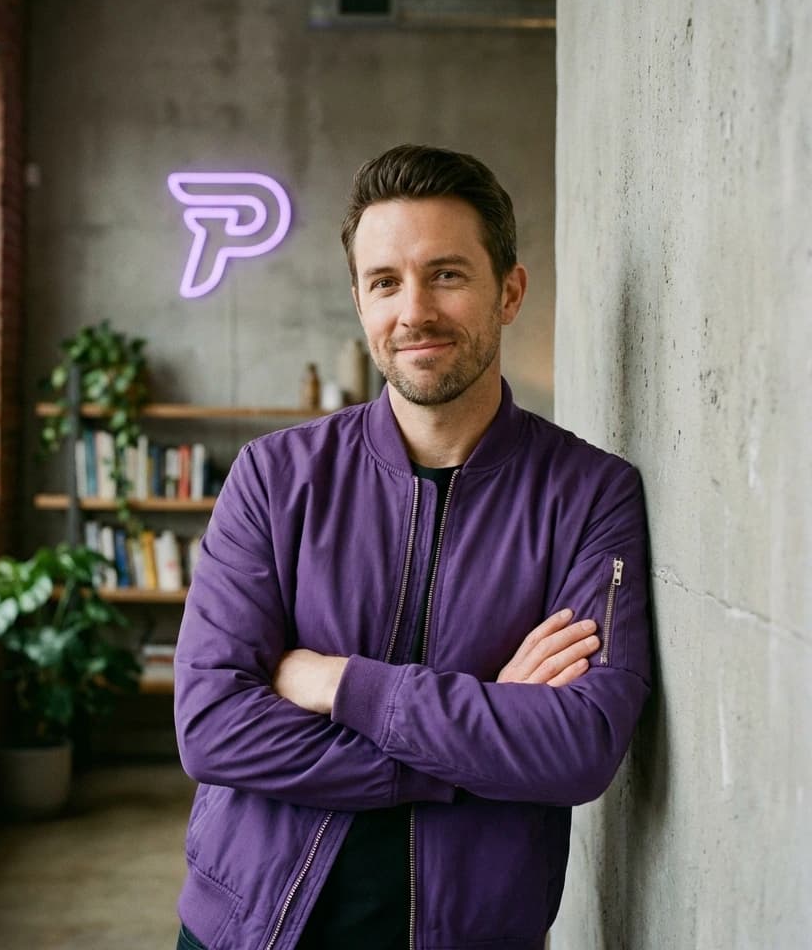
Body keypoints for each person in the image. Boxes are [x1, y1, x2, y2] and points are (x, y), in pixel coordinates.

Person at [173, 144, 650, 950]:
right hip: (251, 926)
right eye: (386, 282)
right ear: (359, 302)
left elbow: (578, 748)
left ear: (510, 291)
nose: (414, 310)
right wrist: (478, 736)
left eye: (448, 274)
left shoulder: (589, 493)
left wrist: (337, 683)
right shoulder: (273, 476)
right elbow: (214, 725)